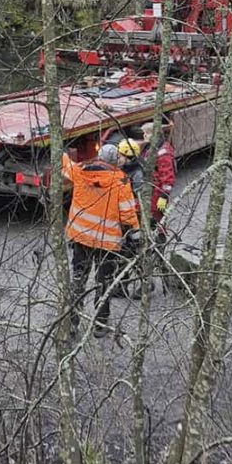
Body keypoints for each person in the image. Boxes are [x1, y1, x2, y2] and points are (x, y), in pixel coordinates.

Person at [63, 142, 139, 338]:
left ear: (99, 158)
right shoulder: (121, 181)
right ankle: (99, 324)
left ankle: (72, 323)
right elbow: (128, 214)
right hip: (107, 243)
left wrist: (62, 151)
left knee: (78, 281)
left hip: (81, 238)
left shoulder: (80, 172)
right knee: (104, 283)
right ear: (116, 162)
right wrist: (135, 233)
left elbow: (65, 166)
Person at [141, 122, 176, 237]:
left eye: (147, 133)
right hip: (150, 189)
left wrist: (164, 196)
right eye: (144, 133)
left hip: (157, 192)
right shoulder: (150, 148)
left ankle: (160, 240)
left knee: (157, 218)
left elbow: (168, 178)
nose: (144, 136)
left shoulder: (163, 154)